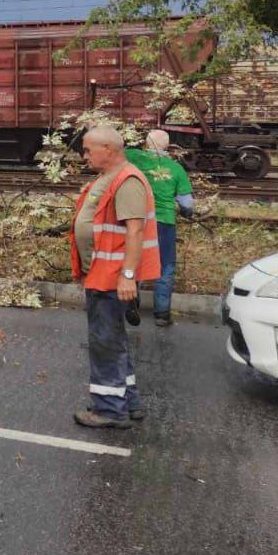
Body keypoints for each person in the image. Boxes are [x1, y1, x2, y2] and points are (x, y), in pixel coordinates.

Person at [70, 125, 162, 429]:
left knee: (105, 342)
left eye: (88, 150)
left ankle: (110, 410)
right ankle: (128, 401)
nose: (84, 156)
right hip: (101, 273)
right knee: (112, 339)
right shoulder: (107, 178)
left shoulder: (128, 180)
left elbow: (134, 230)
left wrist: (127, 276)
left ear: (108, 148)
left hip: (112, 276)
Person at [125, 129, 195, 326]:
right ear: (168, 146)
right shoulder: (176, 168)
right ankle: (162, 314)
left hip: (137, 220)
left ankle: (131, 304)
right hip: (164, 222)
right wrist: (186, 213)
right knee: (165, 266)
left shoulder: (133, 157)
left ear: (146, 143)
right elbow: (187, 204)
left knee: (135, 260)